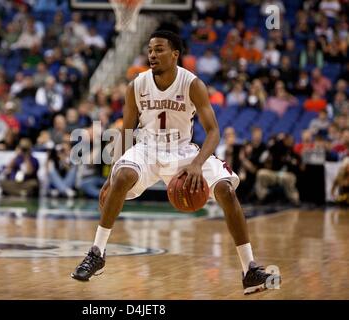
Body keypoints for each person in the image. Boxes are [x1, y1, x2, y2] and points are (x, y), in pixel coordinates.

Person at [71, 31, 280, 294]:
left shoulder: (192, 84)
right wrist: (111, 176)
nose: (152, 55)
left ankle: (249, 270)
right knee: (123, 176)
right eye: (150, 50)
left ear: (175, 54)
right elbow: (126, 132)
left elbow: (213, 132)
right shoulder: (136, 85)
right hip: (147, 148)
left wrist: (196, 164)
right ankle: (97, 253)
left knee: (226, 190)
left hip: (183, 151)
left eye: (159, 50)